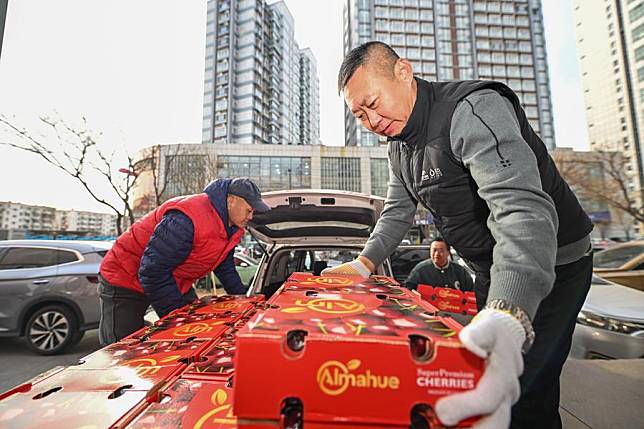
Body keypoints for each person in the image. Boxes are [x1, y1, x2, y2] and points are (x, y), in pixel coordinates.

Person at [324, 41, 593, 429]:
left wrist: (510, 311)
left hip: (555, 261)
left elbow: (520, 209)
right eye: (359, 115)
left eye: (373, 102)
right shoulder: (399, 150)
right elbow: (397, 212)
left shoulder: (472, 109)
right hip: (490, 267)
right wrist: (363, 264)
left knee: (523, 388)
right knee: (486, 376)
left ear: (403, 71)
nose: (371, 120)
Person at [98, 177, 269, 345]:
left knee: (197, 332)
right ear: (231, 200)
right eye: (249, 210)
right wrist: (179, 319)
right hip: (125, 276)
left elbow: (225, 267)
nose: (251, 216)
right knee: (122, 348)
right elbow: (153, 270)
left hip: (174, 279)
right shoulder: (189, 217)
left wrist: (245, 302)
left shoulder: (233, 228)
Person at [405, 238, 473, 291]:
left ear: (448, 252)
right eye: (434, 250)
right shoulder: (420, 269)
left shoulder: (459, 271)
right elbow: (409, 289)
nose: (437, 254)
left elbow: (471, 291)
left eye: (441, 251)